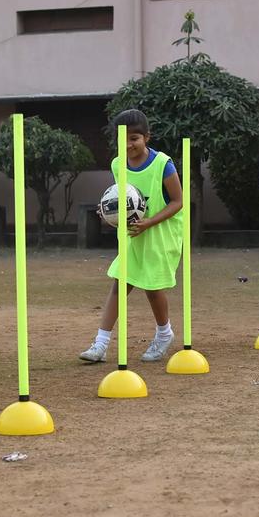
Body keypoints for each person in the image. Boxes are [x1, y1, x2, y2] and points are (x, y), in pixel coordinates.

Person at [79, 109, 183, 363]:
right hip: (133, 235)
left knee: (152, 288)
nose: (128, 144)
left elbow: (178, 202)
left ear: (147, 137)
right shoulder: (117, 164)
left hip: (161, 234)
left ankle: (164, 333)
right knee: (120, 283)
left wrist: (149, 222)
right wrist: (109, 213)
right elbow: (123, 198)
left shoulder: (163, 165)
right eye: (122, 138)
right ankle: (100, 343)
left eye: (134, 138)